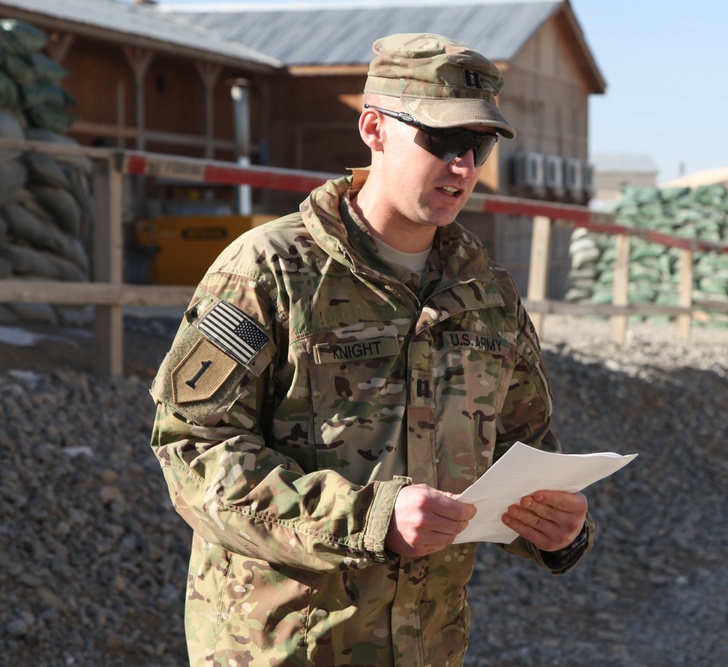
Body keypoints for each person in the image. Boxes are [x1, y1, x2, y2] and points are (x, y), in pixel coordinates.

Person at [148, 32, 595, 667]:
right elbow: (192, 449)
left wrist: (556, 528)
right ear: (374, 129)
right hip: (283, 649)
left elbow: (523, 453)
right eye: (442, 141)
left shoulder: (486, 292)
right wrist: (368, 519)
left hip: (427, 647)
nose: (463, 166)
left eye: (479, 145)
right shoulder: (269, 270)